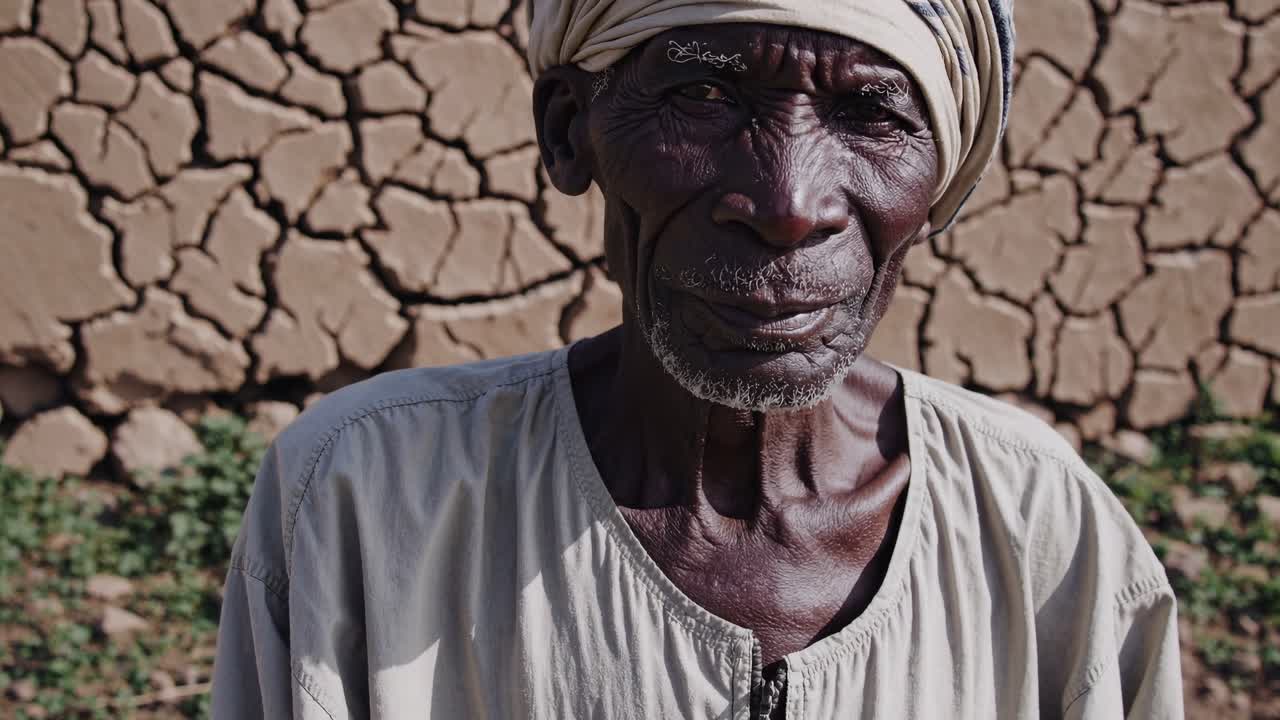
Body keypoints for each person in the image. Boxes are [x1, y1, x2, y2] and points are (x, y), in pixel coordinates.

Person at [211, 1, 1185, 717]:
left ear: (942, 177)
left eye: (871, 114)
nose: (788, 205)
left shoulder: (1038, 529)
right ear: (568, 132)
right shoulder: (368, 499)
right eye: (704, 95)